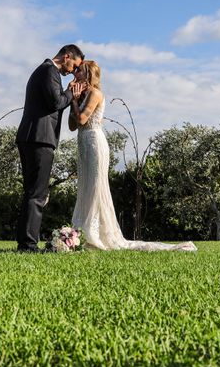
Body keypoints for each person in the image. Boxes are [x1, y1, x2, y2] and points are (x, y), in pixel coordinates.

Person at [69, 60, 196, 251]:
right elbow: (72, 126)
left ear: (88, 74)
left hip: (95, 142)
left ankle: (94, 235)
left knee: (96, 187)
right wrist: (75, 100)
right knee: (85, 187)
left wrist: (73, 100)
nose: (75, 73)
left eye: (79, 70)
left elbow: (82, 119)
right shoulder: (81, 95)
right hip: (83, 143)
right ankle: (80, 233)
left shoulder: (95, 93)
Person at [14, 44, 86, 253]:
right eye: (74, 65)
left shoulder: (46, 71)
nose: (73, 71)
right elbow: (56, 102)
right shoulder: (49, 71)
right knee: (37, 193)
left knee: (32, 192)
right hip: (39, 138)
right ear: (66, 56)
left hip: (33, 137)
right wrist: (71, 92)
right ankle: (28, 245)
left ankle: (25, 243)